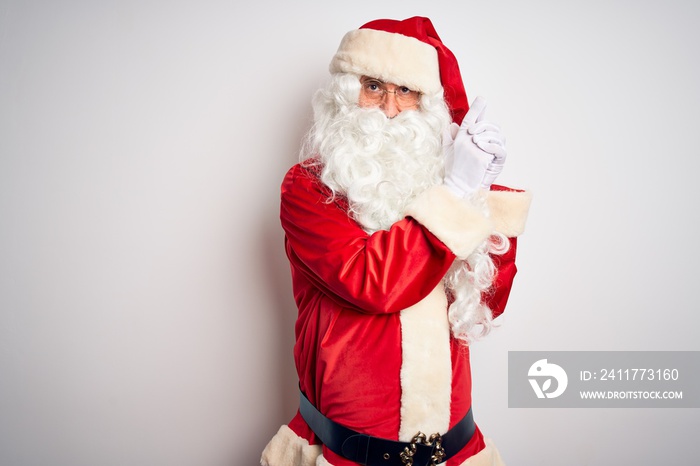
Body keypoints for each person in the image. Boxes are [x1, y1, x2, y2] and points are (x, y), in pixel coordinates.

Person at [261, 16, 531, 466]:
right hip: (348, 453)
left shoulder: (446, 185)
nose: (388, 107)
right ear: (347, 94)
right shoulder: (309, 188)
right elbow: (375, 283)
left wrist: (480, 192)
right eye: (373, 85)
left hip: (456, 451)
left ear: (427, 104)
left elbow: (488, 302)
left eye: (406, 91)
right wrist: (456, 194)